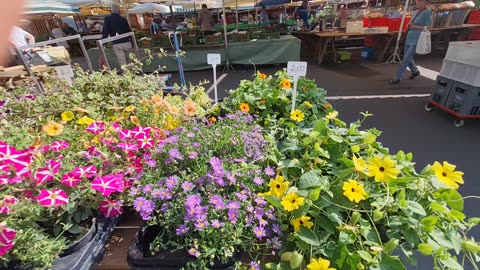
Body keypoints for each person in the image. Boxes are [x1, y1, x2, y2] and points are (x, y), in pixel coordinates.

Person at [390, 0, 432, 84]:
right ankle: (415, 71)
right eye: (417, 1)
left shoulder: (427, 12)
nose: (418, 2)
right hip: (410, 36)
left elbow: (430, 27)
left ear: (426, 3)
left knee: (406, 58)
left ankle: (398, 77)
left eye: (420, 1)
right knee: (407, 57)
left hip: (418, 38)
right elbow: (411, 22)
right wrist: (409, 24)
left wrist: (415, 26)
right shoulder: (416, 11)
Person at [102, 3, 133, 67]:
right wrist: (132, 42)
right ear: (119, 10)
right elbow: (129, 31)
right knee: (131, 60)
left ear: (111, 10)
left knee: (122, 61)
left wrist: (104, 42)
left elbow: (106, 31)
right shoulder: (123, 19)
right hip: (127, 42)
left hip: (117, 43)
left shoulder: (108, 19)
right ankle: (133, 72)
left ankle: (127, 74)